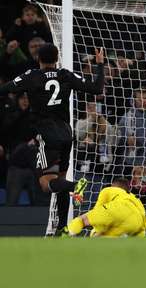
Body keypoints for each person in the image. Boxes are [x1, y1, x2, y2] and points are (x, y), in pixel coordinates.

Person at [0, 44, 105, 233]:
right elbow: (97, 88)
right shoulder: (65, 74)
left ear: (38, 59)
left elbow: (6, 88)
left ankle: (76, 185)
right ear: (57, 59)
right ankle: (62, 228)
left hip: (46, 135)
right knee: (60, 181)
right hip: (66, 133)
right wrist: (100, 65)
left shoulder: (32, 76)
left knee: (45, 183)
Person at [63, 177, 146, 238]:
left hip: (118, 210)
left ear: (113, 186)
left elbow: (98, 210)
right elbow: (144, 221)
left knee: (82, 220)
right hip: (137, 222)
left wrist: (95, 229)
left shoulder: (109, 190)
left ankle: (63, 237)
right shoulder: (134, 198)